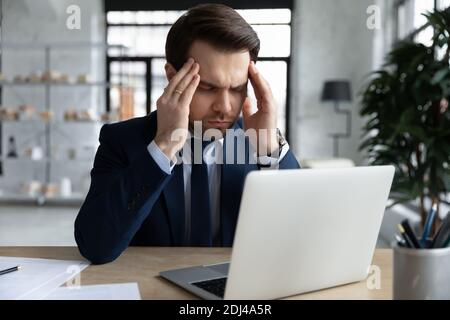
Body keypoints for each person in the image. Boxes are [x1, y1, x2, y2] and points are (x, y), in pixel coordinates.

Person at [74, 3, 300, 264]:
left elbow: (302, 241)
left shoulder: (260, 142)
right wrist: (163, 147)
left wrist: (268, 150)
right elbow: (97, 246)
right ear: (173, 77)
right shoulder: (122, 141)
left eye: (238, 88)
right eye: (207, 87)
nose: (225, 107)